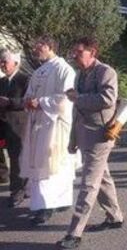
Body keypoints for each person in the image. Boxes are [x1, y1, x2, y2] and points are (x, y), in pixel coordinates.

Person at [57, 37, 123, 250]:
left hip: (100, 136)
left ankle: (74, 233)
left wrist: (78, 97)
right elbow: (77, 111)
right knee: (102, 178)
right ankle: (115, 216)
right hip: (84, 134)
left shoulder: (106, 72)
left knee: (88, 184)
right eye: (74, 53)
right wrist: (73, 140)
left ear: (92, 52)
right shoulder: (79, 75)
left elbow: (107, 99)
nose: (75, 56)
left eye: (79, 52)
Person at [20, 35, 76, 224]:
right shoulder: (38, 72)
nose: (36, 49)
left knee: (53, 164)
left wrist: (41, 102)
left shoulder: (64, 69)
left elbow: (66, 98)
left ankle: (47, 205)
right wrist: (28, 101)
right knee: (41, 164)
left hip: (55, 125)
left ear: (50, 46)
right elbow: (29, 94)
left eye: (39, 46)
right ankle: (48, 203)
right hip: (38, 123)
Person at [0, 49, 29, 207]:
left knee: (17, 159)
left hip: (19, 125)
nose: (2, 65)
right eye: (1, 62)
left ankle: (17, 191)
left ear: (15, 63)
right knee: (12, 157)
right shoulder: (2, 81)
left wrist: (10, 102)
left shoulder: (24, 80)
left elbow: (28, 101)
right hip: (4, 125)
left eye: (5, 62)